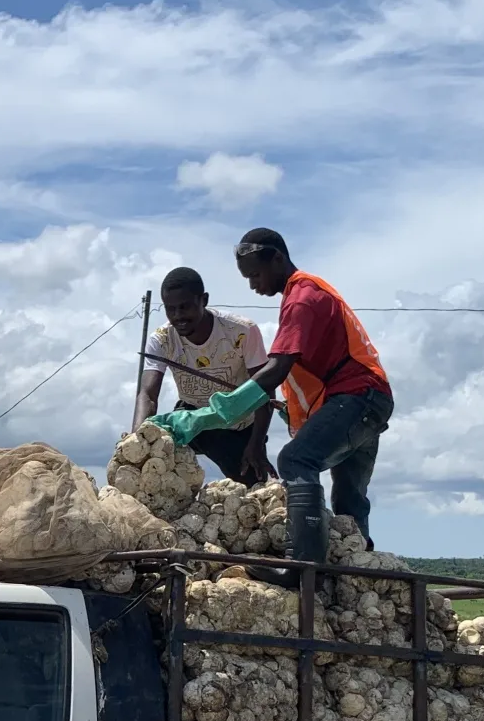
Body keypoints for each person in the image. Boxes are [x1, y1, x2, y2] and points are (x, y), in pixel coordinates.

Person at [149, 228, 392, 577]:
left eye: (255, 275)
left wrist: (217, 412)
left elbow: (276, 369)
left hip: (357, 397)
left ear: (277, 258)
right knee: (348, 495)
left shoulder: (302, 297)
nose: (252, 285)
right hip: (369, 398)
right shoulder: (308, 293)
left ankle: (302, 569)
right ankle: (356, 569)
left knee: (295, 460)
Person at [132, 267, 273, 486]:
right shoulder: (161, 339)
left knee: (252, 487)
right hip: (192, 419)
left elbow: (264, 390)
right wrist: (136, 440)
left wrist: (255, 445)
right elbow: (148, 395)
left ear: (203, 300)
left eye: (184, 307)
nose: (178, 316)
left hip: (240, 425)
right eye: (171, 309)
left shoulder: (241, 331)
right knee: (156, 472)